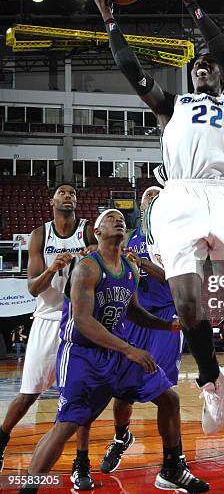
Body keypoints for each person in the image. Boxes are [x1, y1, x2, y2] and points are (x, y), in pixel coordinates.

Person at [92, 0, 224, 452]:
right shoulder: (170, 106)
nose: (203, 64)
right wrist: (110, 19)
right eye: (196, 64)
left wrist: (191, 2)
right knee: (188, 304)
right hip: (181, 194)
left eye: (209, 64)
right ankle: (214, 382)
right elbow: (133, 71)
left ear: (221, 75)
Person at [18, 209, 208, 494]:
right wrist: (130, 349)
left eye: (121, 218)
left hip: (115, 355)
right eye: (110, 218)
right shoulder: (87, 267)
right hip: (83, 354)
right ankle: (28, 489)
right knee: (66, 425)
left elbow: (132, 311)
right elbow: (82, 321)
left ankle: (172, 468)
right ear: (97, 232)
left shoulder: (130, 268)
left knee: (169, 398)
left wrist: (166, 325)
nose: (118, 220)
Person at [0, 184, 97, 483]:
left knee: (80, 396)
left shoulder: (87, 231)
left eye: (73, 193)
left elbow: (102, 262)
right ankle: (1, 441)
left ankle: (81, 463)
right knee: (28, 393)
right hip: (47, 318)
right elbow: (32, 287)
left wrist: (94, 254)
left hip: (79, 320)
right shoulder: (40, 235)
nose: (68, 196)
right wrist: (53, 268)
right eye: (62, 192)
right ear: (52, 201)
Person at [99, 187, 184, 475]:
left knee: (166, 391)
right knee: (123, 391)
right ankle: (121, 437)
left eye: (157, 197)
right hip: (135, 317)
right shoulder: (131, 237)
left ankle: (174, 458)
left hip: (165, 317)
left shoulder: (174, 237)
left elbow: (177, 282)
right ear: (141, 205)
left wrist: (142, 262)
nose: (151, 201)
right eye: (147, 197)